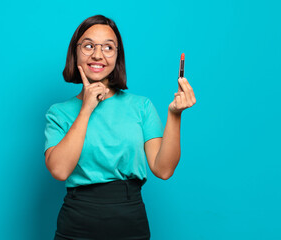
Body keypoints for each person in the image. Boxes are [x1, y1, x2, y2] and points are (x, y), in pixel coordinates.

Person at [44, 15, 196, 240]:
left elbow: (163, 170)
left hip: (129, 219)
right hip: (77, 222)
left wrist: (174, 116)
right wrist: (86, 109)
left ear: (117, 56)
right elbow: (59, 170)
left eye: (108, 47)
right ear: (75, 52)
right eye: (88, 46)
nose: (98, 54)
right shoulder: (59, 113)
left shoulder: (141, 106)